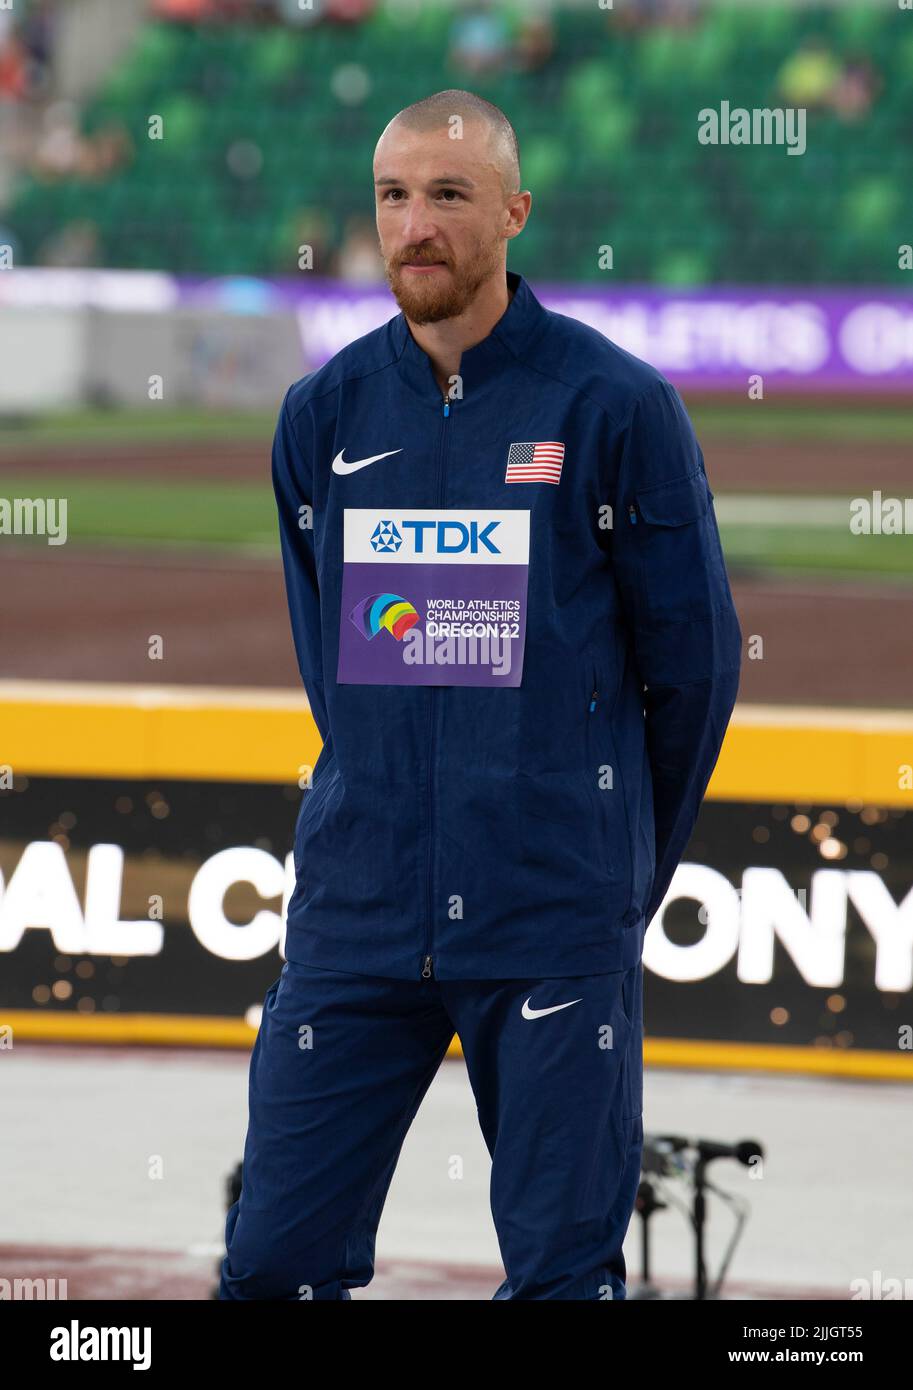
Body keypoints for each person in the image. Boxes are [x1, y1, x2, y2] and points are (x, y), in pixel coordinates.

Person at [219, 88, 742, 1301]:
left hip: (551, 914)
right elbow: (330, 661)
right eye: (394, 196)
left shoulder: (615, 407)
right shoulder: (325, 413)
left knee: (562, 1280)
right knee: (271, 1264)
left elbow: (694, 672)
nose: (417, 224)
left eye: (448, 195)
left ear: (512, 211)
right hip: (357, 914)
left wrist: (608, 874)